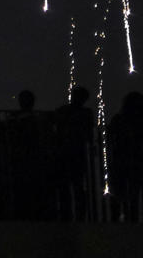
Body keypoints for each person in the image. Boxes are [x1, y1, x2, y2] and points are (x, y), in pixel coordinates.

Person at [5, 89, 53, 220]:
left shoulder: (14, 118)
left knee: (23, 186)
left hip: (22, 157)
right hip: (31, 157)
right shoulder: (38, 119)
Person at [54, 86, 97, 220]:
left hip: (64, 153)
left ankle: (66, 215)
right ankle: (80, 215)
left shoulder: (62, 111)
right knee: (77, 186)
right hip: (77, 154)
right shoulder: (86, 113)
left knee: (65, 187)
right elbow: (89, 134)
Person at [109, 91, 143, 223]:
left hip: (121, 160)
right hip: (135, 160)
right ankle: (132, 219)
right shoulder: (138, 121)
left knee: (119, 192)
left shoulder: (119, 119)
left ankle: (117, 219)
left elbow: (111, 137)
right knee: (133, 192)